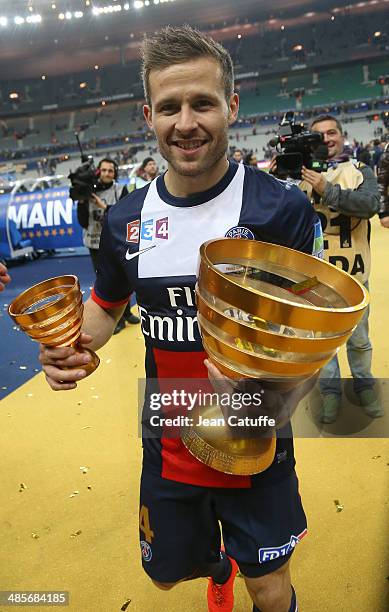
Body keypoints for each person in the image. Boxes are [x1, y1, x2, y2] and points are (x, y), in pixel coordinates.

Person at [40, 26, 325, 612]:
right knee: (167, 578)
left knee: (269, 590)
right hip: (168, 442)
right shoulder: (126, 219)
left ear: (232, 106)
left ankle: (242, 568)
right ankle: (213, 561)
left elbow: (310, 340)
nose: (186, 122)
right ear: (149, 114)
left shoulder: (280, 209)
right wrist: (69, 345)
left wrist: (275, 406)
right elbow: (106, 307)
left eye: (203, 102)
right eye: (169, 106)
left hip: (257, 441)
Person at [299, 115, 381, 422]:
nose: (326, 139)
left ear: (342, 135)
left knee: (359, 339)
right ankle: (331, 393)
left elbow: (370, 204)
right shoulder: (299, 175)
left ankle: (364, 385)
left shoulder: (360, 169)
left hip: (354, 277)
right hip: (313, 280)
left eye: (331, 132)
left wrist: (326, 188)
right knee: (322, 345)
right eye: (318, 135)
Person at [76, 157, 140, 330]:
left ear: (115, 173)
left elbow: (126, 216)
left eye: (110, 171)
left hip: (117, 242)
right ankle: (116, 320)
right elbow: (82, 221)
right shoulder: (88, 191)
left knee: (125, 278)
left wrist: (103, 206)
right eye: (103, 170)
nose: (106, 174)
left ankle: (126, 313)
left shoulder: (120, 190)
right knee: (106, 281)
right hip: (95, 243)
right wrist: (82, 200)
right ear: (98, 171)